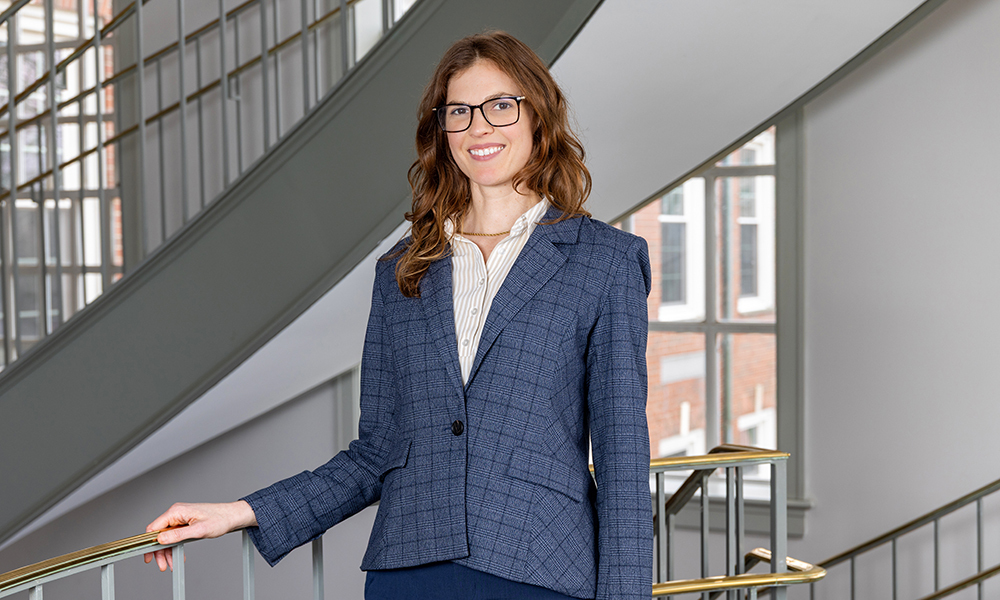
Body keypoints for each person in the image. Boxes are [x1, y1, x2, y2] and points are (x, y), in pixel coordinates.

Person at [145, 30, 652, 600]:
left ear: (538, 115)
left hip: (538, 568)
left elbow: (622, 461)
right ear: (442, 130)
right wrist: (241, 512)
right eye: (459, 111)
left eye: (501, 106)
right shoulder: (403, 268)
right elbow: (378, 450)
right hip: (410, 571)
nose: (479, 127)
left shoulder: (605, 262)